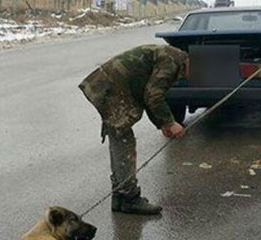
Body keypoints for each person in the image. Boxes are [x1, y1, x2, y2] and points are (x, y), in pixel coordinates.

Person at [79, 44, 189, 215]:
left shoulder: (174, 57)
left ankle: (120, 197)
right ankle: (129, 198)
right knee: (124, 142)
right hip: (110, 88)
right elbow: (153, 96)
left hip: (108, 85)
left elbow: (148, 95)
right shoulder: (172, 62)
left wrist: (163, 124)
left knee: (120, 139)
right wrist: (170, 123)